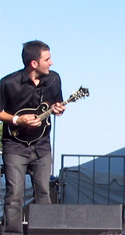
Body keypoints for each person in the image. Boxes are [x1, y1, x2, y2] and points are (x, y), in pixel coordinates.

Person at [0, 40, 66, 234]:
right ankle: (12, 233)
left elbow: (56, 104)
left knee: (44, 193)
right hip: (14, 146)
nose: (51, 62)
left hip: (42, 145)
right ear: (34, 63)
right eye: (47, 59)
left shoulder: (54, 79)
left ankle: (44, 231)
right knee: (14, 195)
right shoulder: (8, 83)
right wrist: (17, 120)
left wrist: (59, 109)